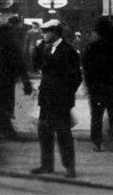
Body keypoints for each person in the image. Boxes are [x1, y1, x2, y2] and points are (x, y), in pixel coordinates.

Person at [30, 19, 82, 178]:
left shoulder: (68, 50)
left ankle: (70, 167)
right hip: (46, 99)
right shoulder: (45, 48)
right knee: (44, 133)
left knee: (63, 134)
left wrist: (66, 94)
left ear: (55, 33)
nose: (43, 34)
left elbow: (76, 77)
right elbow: (36, 64)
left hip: (60, 100)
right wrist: (38, 47)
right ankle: (47, 165)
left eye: (46, 32)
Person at [82, 16, 113, 152]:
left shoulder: (92, 47)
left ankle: (97, 142)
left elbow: (86, 67)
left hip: (97, 87)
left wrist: (89, 85)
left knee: (96, 116)